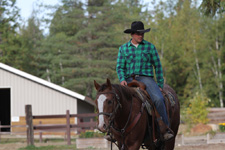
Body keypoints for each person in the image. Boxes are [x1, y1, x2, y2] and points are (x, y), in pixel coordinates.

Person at [116, 21, 173, 141]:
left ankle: (164, 129)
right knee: (113, 98)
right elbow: (120, 67)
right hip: (128, 79)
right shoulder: (123, 48)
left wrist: (160, 84)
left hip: (146, 78)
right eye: (138, 34)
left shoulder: (150, 47)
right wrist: (122, 80)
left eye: (142, 33)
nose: (140, 36)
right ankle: (113, 131)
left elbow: (157, 66)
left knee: (158, 99)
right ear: (132, 34)